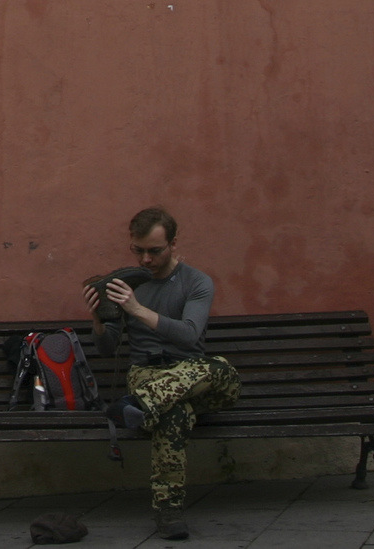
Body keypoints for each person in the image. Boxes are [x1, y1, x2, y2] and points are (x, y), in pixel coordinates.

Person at [82, 207, 239, 542]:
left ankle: (138, 404)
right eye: (138, 251)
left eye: (154, 251)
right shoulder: (126, 282)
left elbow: (188, 335)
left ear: (173, 244)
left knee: (222, 368)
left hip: (192, 373)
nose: (146, 261)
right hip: (147, 373)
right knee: (173, 411)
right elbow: (108, 348)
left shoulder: (196, 282)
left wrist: (136, 308)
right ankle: (169, 512)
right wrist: (98, 320)